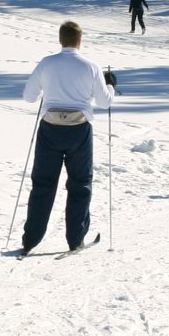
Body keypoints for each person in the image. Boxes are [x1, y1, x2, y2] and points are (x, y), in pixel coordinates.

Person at [20, 21, 116, 254]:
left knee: (43, 183)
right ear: (79, 41)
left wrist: (46, 91)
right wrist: (111, 87)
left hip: (50, 129)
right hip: (79, 130)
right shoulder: (91, 66)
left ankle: (31, 239)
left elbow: (29, 97)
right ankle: (76, 238)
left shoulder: (47, 63)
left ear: (60, 39)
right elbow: (104, 102)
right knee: (80, 184)